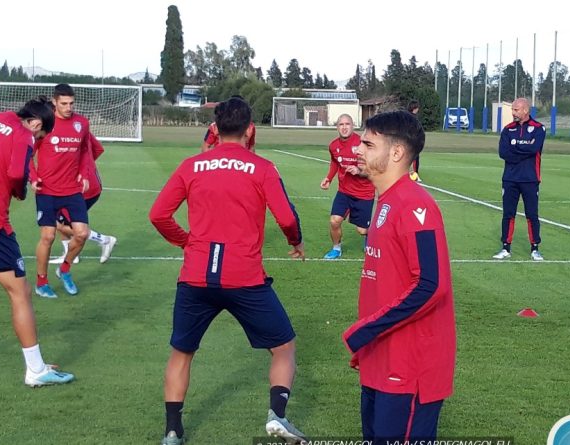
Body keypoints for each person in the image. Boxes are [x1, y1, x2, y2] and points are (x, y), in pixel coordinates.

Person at [149, 97, 308, 445]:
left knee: (182, 353)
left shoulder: (192, 165)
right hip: (244, 277)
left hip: (195, 276)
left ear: (215, 129)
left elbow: (158, 214)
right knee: (283, 347)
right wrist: (295, 241)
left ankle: (173, 431)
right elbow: (286, 218)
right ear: (251, 129)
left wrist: (186, 242)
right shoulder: (262, 167)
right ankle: (277, 416)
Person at [343, 111, 456, 442]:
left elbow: (431, 284)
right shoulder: (387, 201)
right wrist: (370, 341)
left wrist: (367, 329)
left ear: (395, 153)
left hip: (408, 368)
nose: (358, 150)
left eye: (367, 144)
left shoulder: (414, 204)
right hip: (381, 358)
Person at [0, 97, 74, 386]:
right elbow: (16, 174)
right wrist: (22, 190)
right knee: (19, 291)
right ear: (36, 123)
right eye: (40, 136)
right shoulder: (22, 135)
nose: (36, 140)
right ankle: (35, 370)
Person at [30, 83, 94, 298]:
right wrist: (33, 176)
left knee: (82, 234)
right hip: (47, 190)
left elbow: (85, 150)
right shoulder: (45, 124)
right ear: (55, 102)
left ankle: (64, 269)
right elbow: (28, 152)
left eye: (71, 103)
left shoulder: (82, 123)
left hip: (72, 190)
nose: (68, 107)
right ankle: (41, 282)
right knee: (47, 236)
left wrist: (84, 173)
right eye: (64, 103)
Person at [48, 130, 118, 265]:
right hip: (93, 184)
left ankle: (105, 240)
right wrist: (88, 165)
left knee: (61, 223)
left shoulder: (56, 131)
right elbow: (98, 148)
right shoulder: (80, 127)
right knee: (60, 219)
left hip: (78, 187)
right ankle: (71, 254)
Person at [492, 97, 545, 261]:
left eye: (516, 110)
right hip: (510, 178)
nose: (513, 113)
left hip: (530, 178)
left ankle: (535, 248)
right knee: (508, 214)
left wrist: (516, 148)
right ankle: (505, 248)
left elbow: (534, 148)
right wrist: (523, 149)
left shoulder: (538, 128)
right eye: (512, 109)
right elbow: (503, 153)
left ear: (525, 110)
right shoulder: (508, 130)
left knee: (532, 214)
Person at [320, 113, 375, 260]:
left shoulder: (363, 144)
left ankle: (371, 236)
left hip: (364, 193)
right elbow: (334, 163)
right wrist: (328, 178)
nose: (344, 127)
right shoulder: (333, 146)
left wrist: (359, 171)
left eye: (347, 124)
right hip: (344, 191)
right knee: (334, 221)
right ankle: (336, 248)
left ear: (353, 125)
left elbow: (374, 168)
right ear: (337, 127)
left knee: (362, 230)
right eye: (341, 124)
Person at [407, 100, 422, 182]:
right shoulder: (412, 117)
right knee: (415, 158)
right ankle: (415, 175)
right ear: (414, 108)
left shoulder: (407, 116)